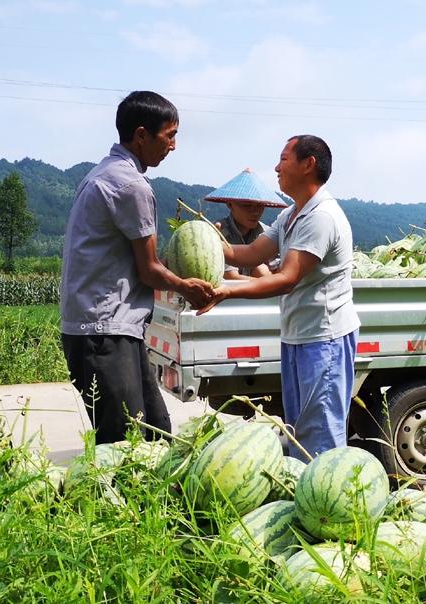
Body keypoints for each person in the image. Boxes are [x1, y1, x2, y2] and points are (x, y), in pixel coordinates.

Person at [60, 91, 214, 445]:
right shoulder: (131, 186)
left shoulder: (103, 174)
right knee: (124, 444)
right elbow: (149, 270)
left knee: (156, 432)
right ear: (142, 135)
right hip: (103, 330)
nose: (173, 146)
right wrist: (188, 287)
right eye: (169, 136)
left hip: (108, 328)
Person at [198, 135, 360, 461]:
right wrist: (205, 238)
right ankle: (304, 498)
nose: (276, 166)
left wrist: (227, 290)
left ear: (308, 164)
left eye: (283, 158)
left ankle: (327, 502)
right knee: (299, 430)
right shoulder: (291, 215)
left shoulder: (321, 218)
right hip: (298, 337)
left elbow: (285, 280)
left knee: (321, 434)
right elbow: (248, 252)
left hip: (323, 339)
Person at [204, 168, 288, 279]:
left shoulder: (267, 232)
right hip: (227, 293)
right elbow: (231, 276)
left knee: (260, 269)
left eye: (259, 205)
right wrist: (271, 285)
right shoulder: (218, 232)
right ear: (230, 204)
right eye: (247, 205)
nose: (255, 212)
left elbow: (279, 269)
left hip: (262, 291)